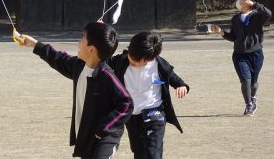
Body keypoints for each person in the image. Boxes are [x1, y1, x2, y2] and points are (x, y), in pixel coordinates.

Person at [14, 22, 133, 159]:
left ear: (92, 49)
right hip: (87, 133)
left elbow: (127, 103)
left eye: (83, 38)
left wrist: (105, 128)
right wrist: (35, 44)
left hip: (106, 137)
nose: (79, 41)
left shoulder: (106, 76)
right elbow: (57, 58)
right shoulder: (79, 66)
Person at [108, 31, 189, 159]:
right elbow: (101, 56)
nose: (133, 63)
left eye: (138, 62)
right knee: (139, 152)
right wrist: (101, 33)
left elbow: (173, 78)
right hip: (132, 116)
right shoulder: (119, 62)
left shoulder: (159, 65)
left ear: (151, 58)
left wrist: (181, 86)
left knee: (153, 152)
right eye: (131, 58)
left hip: (154, 113)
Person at [210, 0, 271, 116]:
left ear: (248, 1)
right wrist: (221, 32)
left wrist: (255, 5)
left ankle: (253, 98)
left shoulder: (257, 16)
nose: (239, 0)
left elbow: (269, 14)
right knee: (245, 80)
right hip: (239, 55)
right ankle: (248, 104)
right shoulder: (236, 19)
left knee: (254, 82)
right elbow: (233, 37)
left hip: (256, 54)